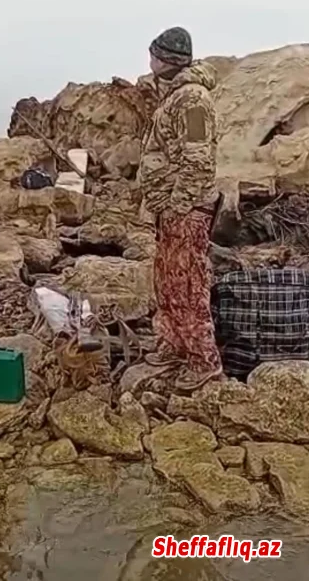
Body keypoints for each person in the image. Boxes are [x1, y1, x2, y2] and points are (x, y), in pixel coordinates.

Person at [138, 26, 224, 392]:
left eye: (154, 53)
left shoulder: (192, 99)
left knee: (188, 284)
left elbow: (198, 160)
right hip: (171, 209)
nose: (150, 59)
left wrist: (178, 205)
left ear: (165, 58)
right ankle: (174, 344)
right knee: (168, 281)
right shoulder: (175, 95)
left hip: (186, 209)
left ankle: (203, 359)